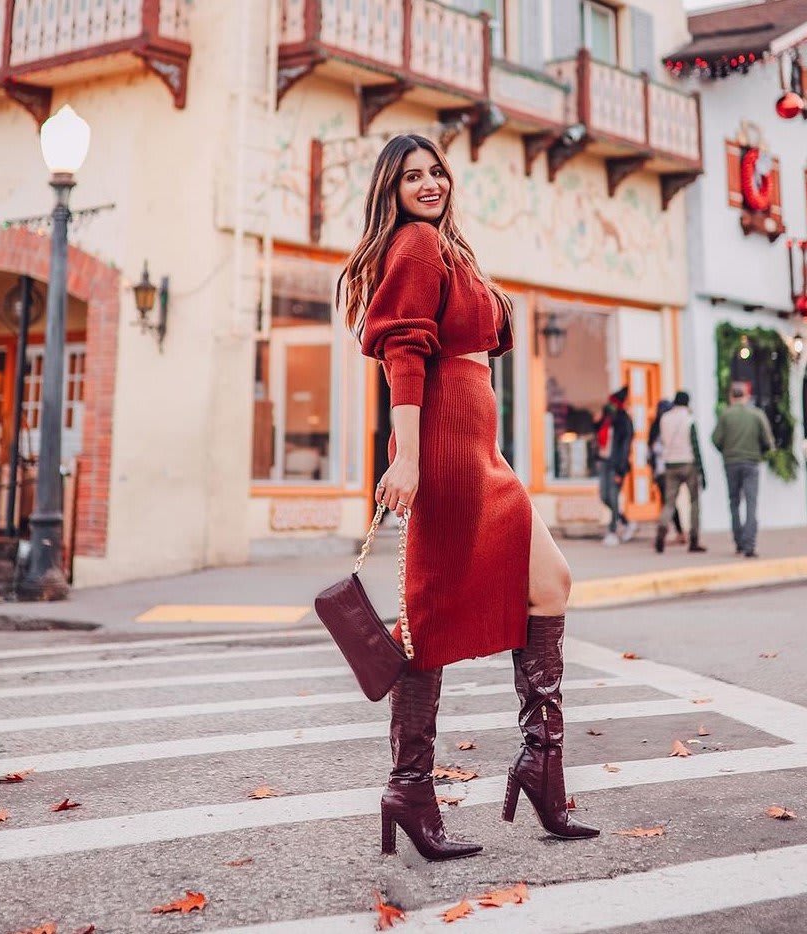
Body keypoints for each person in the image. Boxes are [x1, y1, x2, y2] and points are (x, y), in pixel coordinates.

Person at [338, 134, 599, 863]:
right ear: (391, 191)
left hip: (479, 447)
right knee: (430, 617)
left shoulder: (449, 247)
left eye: (435, 171)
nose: (428, 183)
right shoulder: (418, 245)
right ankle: (409, 787)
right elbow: (404, 353)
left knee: (550, 582)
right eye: (411, 176)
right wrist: (412, 458)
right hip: (446, 447)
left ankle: (539, 763)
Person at [712, 383, 775, 558]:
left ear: (732, 396)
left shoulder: (725, 415)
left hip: (731, 463)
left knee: (734, 502)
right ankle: (750, 544)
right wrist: (759, 453)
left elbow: (716, 439)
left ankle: (738, 541)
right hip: (751, 462)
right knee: (751, 503)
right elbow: (768, 442)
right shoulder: (756, 415)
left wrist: (727, 452)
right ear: (746, 396)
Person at [654, 390, 707, 554]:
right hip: (688, 463)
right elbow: (695, 446)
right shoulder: (689, 419)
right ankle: (694, 539)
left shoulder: (664, 418)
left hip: (670, 463)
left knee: (669, 502)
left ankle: (662, 529)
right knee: (694, 502)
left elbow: (662, 440)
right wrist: (702, 472)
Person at [595, 387, 637, 545]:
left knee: (613, 497)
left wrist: (620, 470)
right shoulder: (607, 420)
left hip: (616, 465)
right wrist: (598, 421)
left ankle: (612, 531)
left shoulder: (624, 421)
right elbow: (599, 435)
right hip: (604, 462)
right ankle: (626, 522)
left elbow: (625, 447)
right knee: (604, 497)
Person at [649, 399, 686, 545]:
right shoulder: (667, 425)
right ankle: (674, 530)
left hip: (662, 469)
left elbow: (650, 451)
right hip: (668, 467)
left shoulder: (659, 427)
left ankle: (669, 530)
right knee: (669, 502)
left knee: (668, 502)